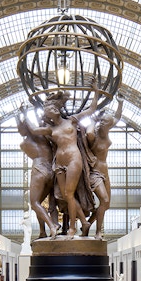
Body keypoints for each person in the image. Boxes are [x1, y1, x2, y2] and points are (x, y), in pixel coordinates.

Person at [23, 90, 100, 236]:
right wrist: (25, 114)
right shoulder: (50, 129)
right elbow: (33, 130)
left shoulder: (72, 120)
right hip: (59, 162)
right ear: (48, 116)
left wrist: (95, 91)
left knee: (69, 194)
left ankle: (73, 227)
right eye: (50, 110)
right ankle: (84, 222)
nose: (54, 110)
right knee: (65, 196)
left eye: (54, 107)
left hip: (73, 159)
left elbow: (91, 109)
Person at [17, 106, 59, 237]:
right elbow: (29, 127)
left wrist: (22, 116)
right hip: (52, 171)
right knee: (49, 202)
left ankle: (52, 227)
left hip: (39, 170)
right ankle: (42, 231)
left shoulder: (25, 143)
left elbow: (27, 128)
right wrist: (22, 116)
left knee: (35, 203)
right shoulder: (44, 137)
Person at [86, 94, 123, 239]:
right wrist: (93, 120)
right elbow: (88, 131)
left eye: (107, 123)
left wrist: (120, 103)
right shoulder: (93, 135)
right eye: (103, 122)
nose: (106, 125)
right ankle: (98, 232)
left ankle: (88, 224)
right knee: (105, 200)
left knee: (106, 205)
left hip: (105, 172)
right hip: (94, 173)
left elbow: (117, 117)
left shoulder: (106, 129)